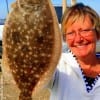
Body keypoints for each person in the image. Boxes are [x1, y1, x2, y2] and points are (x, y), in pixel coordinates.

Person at [48, 3, 100, 100]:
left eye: (84, 30)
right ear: (65, 38)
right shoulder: (57, 65)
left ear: (97, 34)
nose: (78, 39)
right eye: (71, 33)